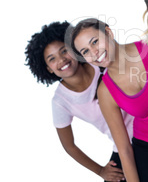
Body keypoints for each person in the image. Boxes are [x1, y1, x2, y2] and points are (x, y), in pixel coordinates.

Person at [70, 18, 148, 182]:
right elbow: (124, 150)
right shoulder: (105, 91)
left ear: (108, 33)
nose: (94, 52)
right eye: (85, 51)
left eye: (95, 42)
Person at [25, 21, 134, 182]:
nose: (61, 60)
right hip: (123, 147)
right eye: (52, 59)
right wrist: (100, 171)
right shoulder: (60, 102)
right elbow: (69, 146)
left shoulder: (99, 61)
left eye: (64, 51)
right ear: (48, 68)